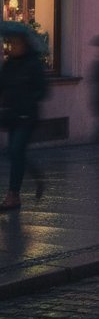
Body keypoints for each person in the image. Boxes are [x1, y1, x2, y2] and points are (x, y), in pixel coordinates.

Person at [0, 31, 48, 211]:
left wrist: (27, 98)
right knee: (14, 153)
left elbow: (42, 91)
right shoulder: (9, 64)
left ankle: (13, 195)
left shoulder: (34, 64)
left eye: (15, 43)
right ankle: (34, 176)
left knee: (15, 150)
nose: (12, 46)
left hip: (27, 116)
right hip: (12, 115)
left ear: (25, 44)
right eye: (10, 43)